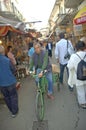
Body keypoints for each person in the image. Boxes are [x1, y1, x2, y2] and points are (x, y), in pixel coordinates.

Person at [0, 45, 19, 117]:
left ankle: (11, 110)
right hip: (10, 82)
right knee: (13, 96)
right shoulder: (7, 60)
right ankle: (14, 112)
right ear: (3, 52)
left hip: (1, 84)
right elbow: (13, 69)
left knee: (6, 97)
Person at [67, 41, 86, 109]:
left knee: (80, 90)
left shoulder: (74, 56)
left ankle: (83, 103)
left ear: (76, 48)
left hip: (79, 77)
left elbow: (69, 66)